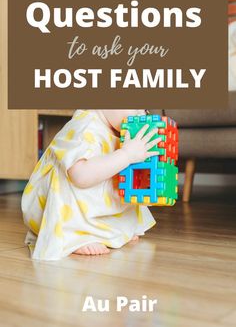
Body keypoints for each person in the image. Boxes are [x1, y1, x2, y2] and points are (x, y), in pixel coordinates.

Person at [21, 109, 160, 260]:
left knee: (120, 177)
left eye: (144, 109)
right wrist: (126, 154)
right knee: (81, 176)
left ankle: (109, 228)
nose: (141, 114)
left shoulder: (120, 127)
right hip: (63, 197)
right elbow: (80, 176)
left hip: (93, 195)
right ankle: (74, 236)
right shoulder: (85, 126)